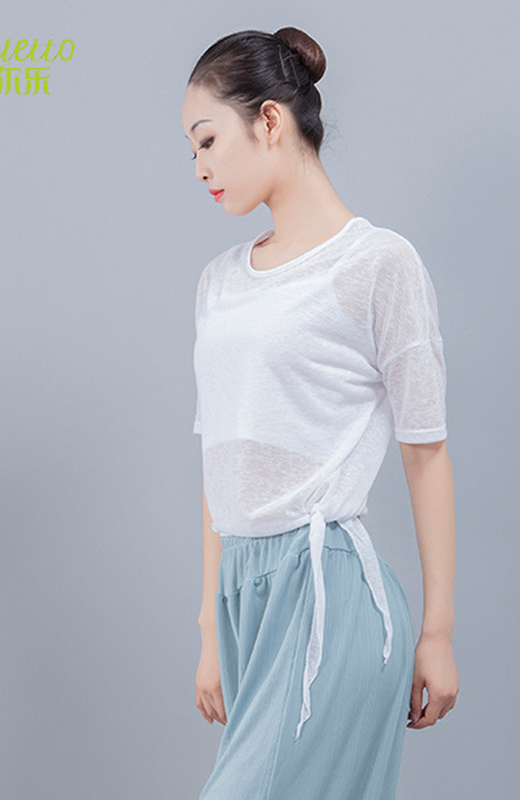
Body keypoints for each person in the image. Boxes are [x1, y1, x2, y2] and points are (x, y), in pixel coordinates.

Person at [182, 25, 459, 800]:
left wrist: (437, 632)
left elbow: (426, 451)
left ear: (269, 120)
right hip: (243, 600)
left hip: (327, 595)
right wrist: (208, 624)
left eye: (207, 141)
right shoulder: (218, 283)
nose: (199, 167)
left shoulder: (378, 264)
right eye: (191, 152)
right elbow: (218, 459)